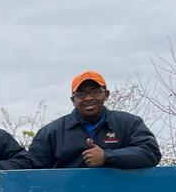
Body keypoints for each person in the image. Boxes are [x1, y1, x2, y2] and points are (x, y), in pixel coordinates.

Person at [20, 70, 161, 169]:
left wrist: (107, 156)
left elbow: (151, 153)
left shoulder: (129, 123)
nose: (88, 98)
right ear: (73, 100)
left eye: (95, 91)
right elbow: (32, 169)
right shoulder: (51, 132)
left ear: (106, 95)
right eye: (81, 94)